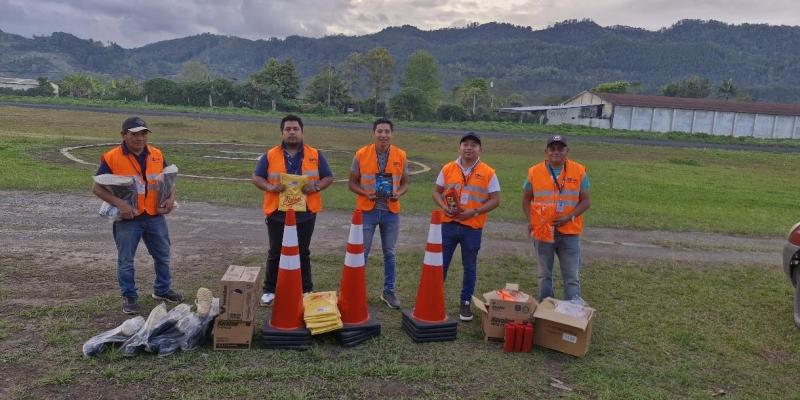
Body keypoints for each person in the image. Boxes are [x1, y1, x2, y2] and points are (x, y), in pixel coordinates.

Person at [92, 116, 183, 315]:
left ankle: (162, 290)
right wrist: (120, 205)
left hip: (154, 215)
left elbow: (168, 180)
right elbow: (97, 188)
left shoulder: (157, 154)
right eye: (134, 134)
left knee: (163, 255)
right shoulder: (111, 157)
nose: (139, 138)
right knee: (126, 260)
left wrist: (170, 199)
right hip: (128, 218)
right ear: (124, 135)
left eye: (143, 133)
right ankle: (129, 297)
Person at [253, 115, 334, 306]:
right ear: (282, 132)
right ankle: (270, 290)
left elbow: (328, 177)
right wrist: (270, 187)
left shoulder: (315, 154)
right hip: (278, 213)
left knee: (303, 252)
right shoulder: (270, 154)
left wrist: (315, 187)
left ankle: (306, 289)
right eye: (288, 129)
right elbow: (257, 177)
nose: (291, 132)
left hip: (305, 213)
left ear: (302, 132)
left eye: (295, 129)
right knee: (275, 251)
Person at [432, 133, 500, 321]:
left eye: (473, 145)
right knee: (441, 264)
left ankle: (465, 303)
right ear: (459, 147)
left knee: (469, 266)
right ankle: (434, 299)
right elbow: (436, 192)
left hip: (472, 227)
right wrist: (445, 207)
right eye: (465, 144)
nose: (469, 148)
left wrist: (475, 212)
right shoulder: (448, 168)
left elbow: (495, 200)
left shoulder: (488, 172)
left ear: (480, 150)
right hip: (448, 225)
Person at [348, 118, 409, 309]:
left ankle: (388, 292)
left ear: (392, 134)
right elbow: (351, 183)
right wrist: (366, 193)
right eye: (380, 131)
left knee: (390, 253)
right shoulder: (361, 154)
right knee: (362, 253)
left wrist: (399, 192)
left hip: (391, 212)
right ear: (373, 133)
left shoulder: (401, 154)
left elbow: (405, 182)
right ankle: (357, 291)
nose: (383, 135)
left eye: (387, 131)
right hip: (367, 211)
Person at [522, 135, 591, 302]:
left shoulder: (579, 171)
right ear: (546, 151)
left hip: (569, 232)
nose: (556, 152)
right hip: (543, 232)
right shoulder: (534, 171)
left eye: (560, 148)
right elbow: (526, 199)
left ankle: (571, 313)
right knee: (544, 275)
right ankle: (546, 310)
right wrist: (532, 220)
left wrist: (569, 216)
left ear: (567, 151)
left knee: (571, 277)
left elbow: (586, 201)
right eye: (552, 148)